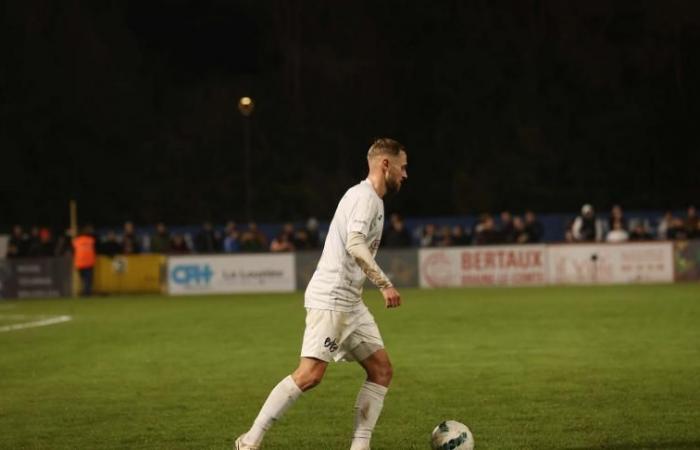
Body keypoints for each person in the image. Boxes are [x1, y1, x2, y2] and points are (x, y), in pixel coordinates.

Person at [234, 138, 408, 450]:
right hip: (331, 298)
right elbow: (355, 245)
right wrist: (385, 284)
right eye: (402, 166)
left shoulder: (372, 200)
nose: (405, 174)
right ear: (386, 164)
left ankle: (360, 445)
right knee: (310, 374)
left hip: (350, 302)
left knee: (381, 370)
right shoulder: (365, 198)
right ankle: (249, 441)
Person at [72, 225, 96, 296]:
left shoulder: (76, 241)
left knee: (84, 279)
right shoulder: (91, 240)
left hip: (80, 263)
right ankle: (86, 292)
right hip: (88, 263)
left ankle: (85, 292)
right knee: (88, 279)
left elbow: (73, 249)